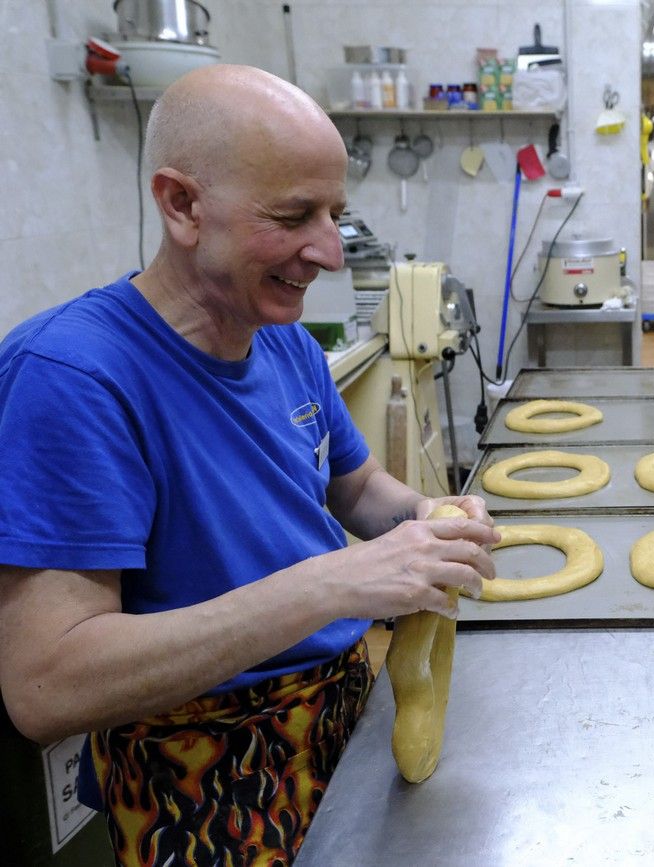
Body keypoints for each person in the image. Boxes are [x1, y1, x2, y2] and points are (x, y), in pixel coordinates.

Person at [0, 65, 499, 864]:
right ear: (183, 205)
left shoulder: (287, 343)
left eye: (336, 213)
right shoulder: (75, 379)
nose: (331, 252)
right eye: (296, 215)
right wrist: (339, 581)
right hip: (197, 776)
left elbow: (357, 486)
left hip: (341, 715)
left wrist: (426, 521)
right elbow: (47, 683)